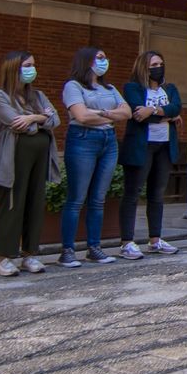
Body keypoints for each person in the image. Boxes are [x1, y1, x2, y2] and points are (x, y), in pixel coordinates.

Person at [0, 51, 59, 275]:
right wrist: (40, 118)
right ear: (14, 69)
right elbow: (17, 124)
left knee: (35, 202)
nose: (32, 69)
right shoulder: (0, 96)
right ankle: (4, 256)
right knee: (12, 201)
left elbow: (55, 120)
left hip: (40, 156)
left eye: (33, 64)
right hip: (14, 156)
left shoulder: (38, 96)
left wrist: (32, 118)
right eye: (28, 65)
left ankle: (30, 254)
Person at [60, 46, 131, 267]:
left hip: (108, 141)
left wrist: (99, 114)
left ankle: (94, 247)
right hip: (82, 140)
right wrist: (110, 115)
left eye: (104, 57)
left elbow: (127, 113)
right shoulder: (73, 86)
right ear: (87, 61)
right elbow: (80, 115)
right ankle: (68, 250)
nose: (104, 61)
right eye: (100, 58)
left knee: (98, 199)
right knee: (76, 198)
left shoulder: (109, 88)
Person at [120, 50, 181, 258]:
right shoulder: (133, 88)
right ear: (144, 67)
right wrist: (167, 116)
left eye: (161, 63)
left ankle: (155, 239)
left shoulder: (169, 88)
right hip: (141, 146)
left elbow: (176, 107)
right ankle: (127, 242)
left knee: (157, 194)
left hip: (164, 145)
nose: (158, 67)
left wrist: (153, 111)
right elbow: (138, 115)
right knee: (133, 193)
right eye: (154, 64)